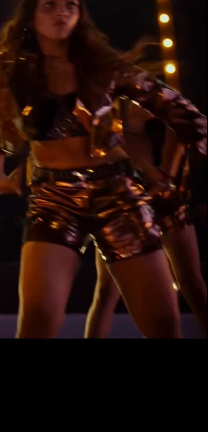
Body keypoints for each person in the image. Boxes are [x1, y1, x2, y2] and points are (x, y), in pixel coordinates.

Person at [0, 0, 206, 338]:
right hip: (54, 199)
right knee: (37, 321)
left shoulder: (103, 65)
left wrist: (168, 175)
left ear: (80, 14)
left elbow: (179, 110)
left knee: (163, 324)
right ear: (31, 15)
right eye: (50, 5)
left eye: (70, 5)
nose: (62, 12)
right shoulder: (8, 69)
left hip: (117, 195)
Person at [85, 103, 205, 338]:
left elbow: (182, 126)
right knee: (106, 291)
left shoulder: (143, 99)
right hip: (123, 201)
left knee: (192, 285)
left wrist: (165, 175)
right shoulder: (103, 103)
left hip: (161, 198)